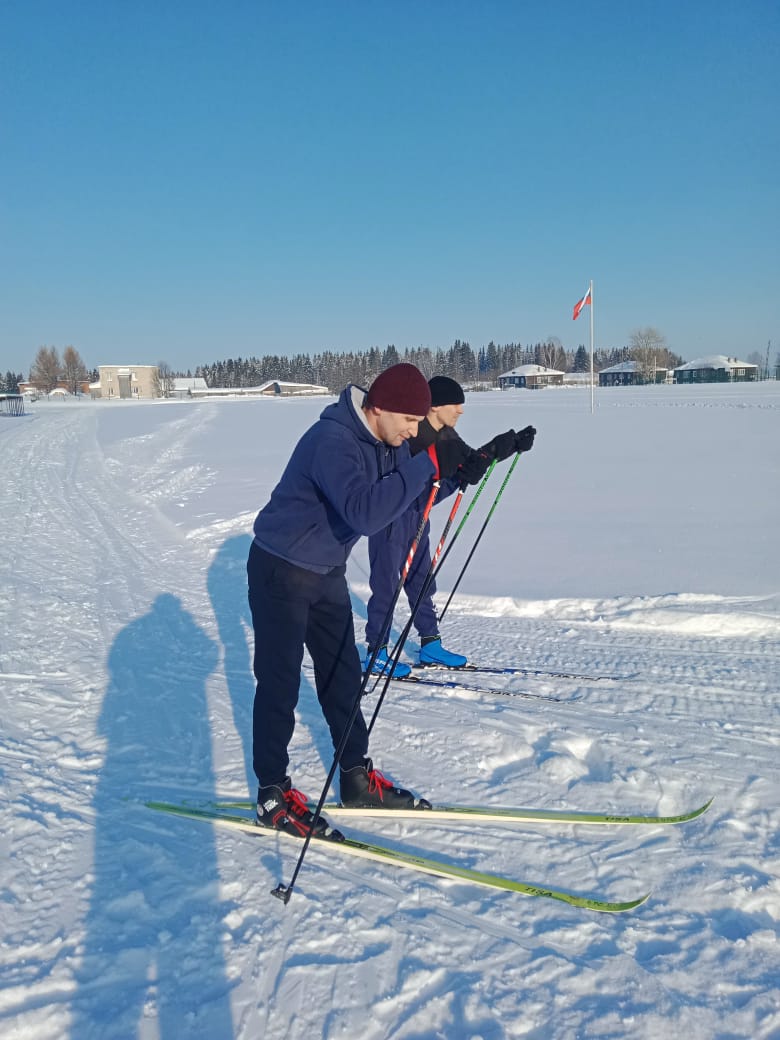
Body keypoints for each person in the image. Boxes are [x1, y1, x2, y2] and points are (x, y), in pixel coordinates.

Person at [248, 362, 438, 840]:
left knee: (342, 677)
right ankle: (271, 793)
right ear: (379, 407)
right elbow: (366, 512)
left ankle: (355, 777)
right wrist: (423, 463)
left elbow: (405, 493)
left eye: (419, 425)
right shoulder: (330, 441)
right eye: (409, 422)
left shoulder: (383, 442)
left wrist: (459, 468)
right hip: (281, 568)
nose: (413, 432)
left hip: (325, 570)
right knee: (280, 682)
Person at [363, 375, 536, 677]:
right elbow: (414, 487)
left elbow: (470, 461)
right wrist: (456, 476)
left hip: (418, 519)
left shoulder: (447, 435)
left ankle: (430, 643)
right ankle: (376, 650)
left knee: (421, 581)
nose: (461, 410)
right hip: (391, 520)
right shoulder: (409, 436)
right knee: (386, 585)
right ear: (436, 406)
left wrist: (504, 447)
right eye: (456, 404)